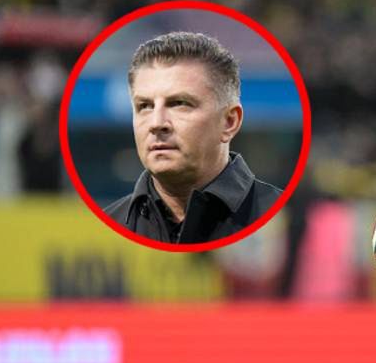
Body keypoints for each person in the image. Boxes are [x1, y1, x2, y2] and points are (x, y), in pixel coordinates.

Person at [104, 32, 281, 244]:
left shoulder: (281, 223)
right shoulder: (105, 229)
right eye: (145, 106)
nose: (156, 123)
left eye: (179, 103)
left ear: (229, 122)